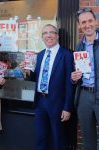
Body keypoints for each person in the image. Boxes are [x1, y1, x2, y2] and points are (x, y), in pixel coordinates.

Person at [20, 24, 74, 150]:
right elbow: (35, 78)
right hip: (40, 102)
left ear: (57, 36)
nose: (48, 35)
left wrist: (67, 107)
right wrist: (27, 72)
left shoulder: (67, 55)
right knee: (41, 138)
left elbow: (69, 84)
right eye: (45, 33)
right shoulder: (39, 55)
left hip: (58, 104)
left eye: (51, 32)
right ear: (42, 37)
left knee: (58, 139)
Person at [71, 8, 99, 150]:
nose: (87, 25)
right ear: (79, 26)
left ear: (96, 21)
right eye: (83, 22)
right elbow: (76, 73)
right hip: (84, 96)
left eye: (90, 20)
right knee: (88, 138)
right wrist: (74, 78)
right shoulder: (79, 46)